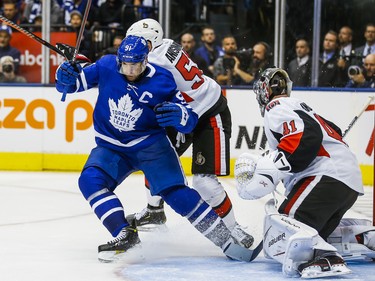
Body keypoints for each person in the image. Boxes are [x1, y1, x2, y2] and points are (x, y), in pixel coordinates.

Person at [54, 34, 255, 263]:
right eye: (125, 64)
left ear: (146, 60)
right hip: (112, 146)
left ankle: (225, 238)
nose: (129, 70)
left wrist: (181, 115)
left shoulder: (162, 80)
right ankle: (124, 233)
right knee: (89, 180)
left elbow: (189, 121)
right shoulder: (106, 66)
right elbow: (69, 85)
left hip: (151, 146)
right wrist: (63, 76)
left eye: (135, 64)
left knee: (177, 194)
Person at [233, 67, 374, 278]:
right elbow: (324, 131)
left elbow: (304, 135)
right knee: (311, 231)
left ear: (264, 91)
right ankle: (364, 237)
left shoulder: (276, 106)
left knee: (284, 230)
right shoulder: (300, 106)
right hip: (347, 182)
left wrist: (276, 162)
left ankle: (324, 257)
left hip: (325, 178)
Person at [125, 18, 254, 245]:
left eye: (138, 42)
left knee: (204, 182)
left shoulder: (153, 62)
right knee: (155, 156)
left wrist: (84, 68)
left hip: (209, 112)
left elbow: (121, 75)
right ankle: (153, 211)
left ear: (149, 43)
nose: (132, 47)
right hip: (183, 112)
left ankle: (234, 229)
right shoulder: (164, 43)